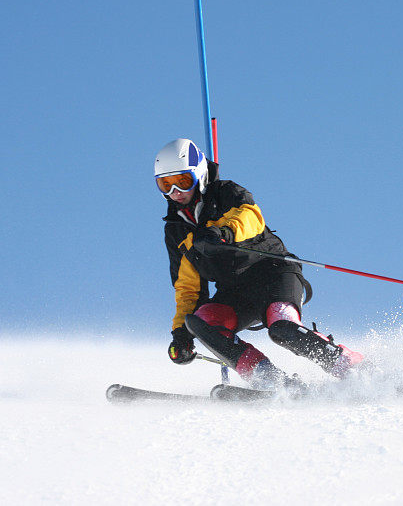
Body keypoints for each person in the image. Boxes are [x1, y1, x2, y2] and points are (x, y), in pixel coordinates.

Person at [155, 138, 364, 390]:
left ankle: (354, 369)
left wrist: (222, 233)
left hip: (274, 273)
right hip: (234, 293)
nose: (175, 191)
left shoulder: (225, 192)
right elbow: (187, 287)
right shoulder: (175, 231)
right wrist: (181, 335)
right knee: (199, 322)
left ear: (198, 175)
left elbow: (250, 216)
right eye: (165, 184)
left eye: (183, 180)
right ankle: (272, 381)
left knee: (283, 329)